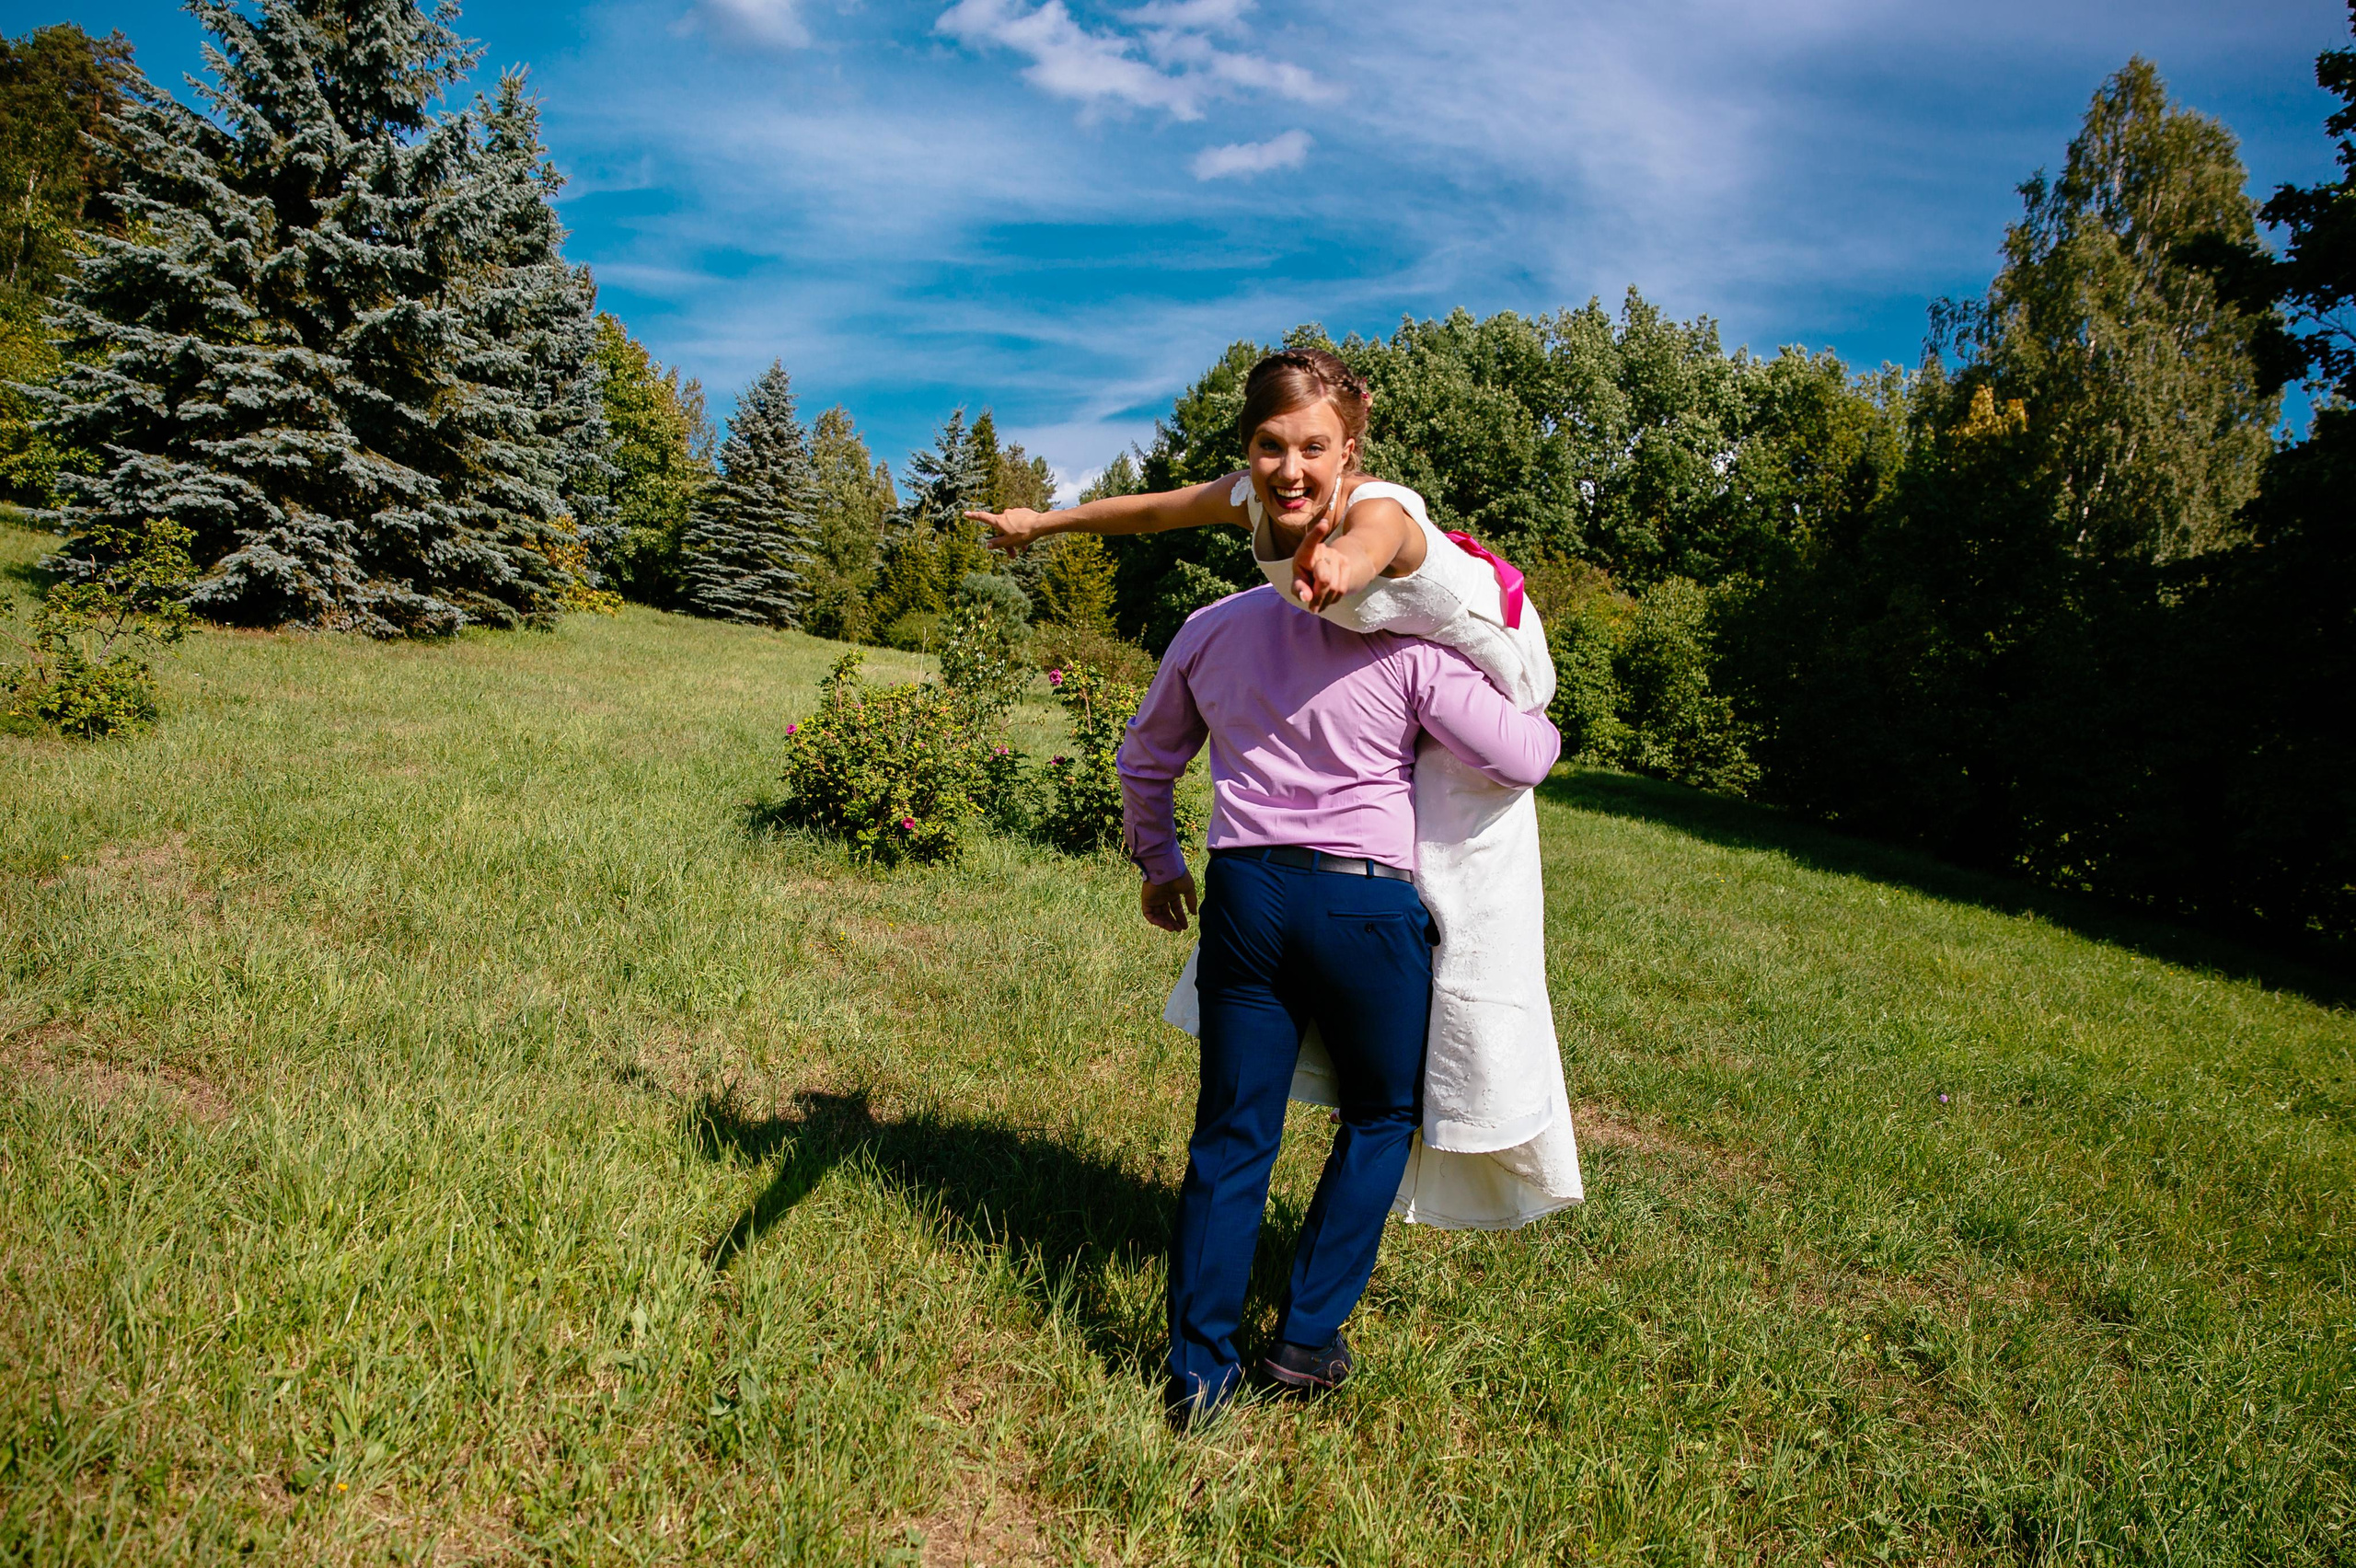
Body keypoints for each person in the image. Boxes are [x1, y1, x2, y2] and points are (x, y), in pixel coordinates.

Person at [977, 350, 1584, 1234]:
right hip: (1399, 703)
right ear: (1250, 446)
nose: (1289, 470)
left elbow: (1379, 542)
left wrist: (1341, 564)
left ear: (1350, 448)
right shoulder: (1255, 495)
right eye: (1270, 446)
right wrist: (1044, 523)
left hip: (1500, 675)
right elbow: (1152, 511)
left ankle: (1488, 1104)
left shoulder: (1382, 511)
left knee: (1467, 929)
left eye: (1313, 448)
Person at [1120, 518, 1561, 1424]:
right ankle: (1304, 1337)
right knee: (1380, 1114)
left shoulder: (1212, 625)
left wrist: (1161, 865)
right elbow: (1523, 758)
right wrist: (1529, 689)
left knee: (1233, 1132)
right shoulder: (1404, 646)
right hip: (1363, 906)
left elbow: (1145, 757)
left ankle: (1197, 1375)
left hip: (1245, 891)